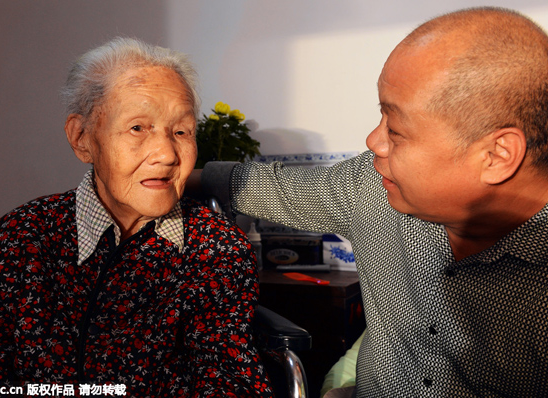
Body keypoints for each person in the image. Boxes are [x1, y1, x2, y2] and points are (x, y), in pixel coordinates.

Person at [197, 7, 548, 397]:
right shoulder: (372, 187)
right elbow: (265, 186)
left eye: (395, 129)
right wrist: (169, 175)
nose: (373, 142)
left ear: (497, 155)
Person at [0, 37, 273, 397]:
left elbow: (230, 381)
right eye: (138, 128)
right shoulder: (23, 234)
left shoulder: (216, 249)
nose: (166, 154)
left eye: (181, 131)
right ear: (82, 138)